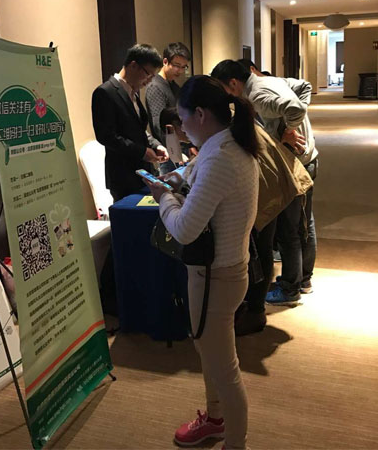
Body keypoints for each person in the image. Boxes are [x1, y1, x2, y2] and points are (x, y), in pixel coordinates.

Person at [144, 75, 259, 450]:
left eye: (182, 119)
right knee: (209, 351)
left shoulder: (220, 158)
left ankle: (234, 442)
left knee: (224, 368)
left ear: (201, 115)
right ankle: (214, 418)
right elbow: (193, 175)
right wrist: (175, 180)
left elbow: (183, 229)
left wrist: (163, 197)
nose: (180, 128)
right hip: (222, 272)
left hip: (216, 277)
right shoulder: (224, 146)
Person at [212, 63, 313, 335]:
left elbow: (296, 108)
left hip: (280, 179)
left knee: (279, 240)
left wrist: (289, 129)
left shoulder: (255, 97)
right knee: (285, 236)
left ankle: (284, 291)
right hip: (284, 172)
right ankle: (299, 282)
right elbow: (304, 87)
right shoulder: (256, 96)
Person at [91, 43, 169, 202]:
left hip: (143, 173)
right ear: (133, 65)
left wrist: (155, 145)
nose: (149, 81)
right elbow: (106, 136)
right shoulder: (105, 92)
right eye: (148, 74)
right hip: (123, 176)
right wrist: (142, 152)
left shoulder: (133, 93)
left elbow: (138, 130)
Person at [146, 41, 191, 138]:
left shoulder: (174, 85)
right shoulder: (155, 86)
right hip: (169, 144)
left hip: (180, 142)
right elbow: (159, 126)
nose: (180, 71)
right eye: (177, 65)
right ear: (165, 61)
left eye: (183, 67)